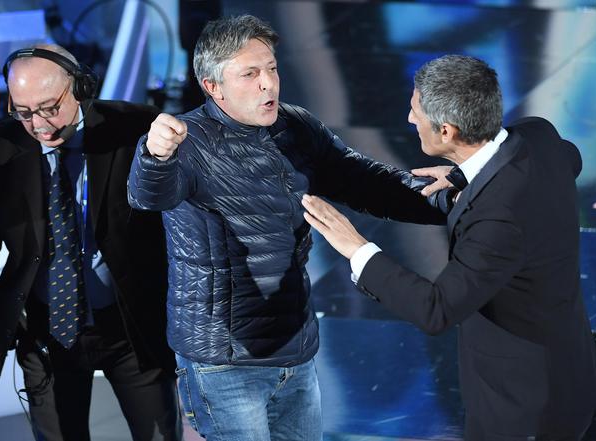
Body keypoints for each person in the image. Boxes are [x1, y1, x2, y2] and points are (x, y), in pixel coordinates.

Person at [127, 14, 451, 441]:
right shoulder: (187, 144)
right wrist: (154, 156)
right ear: (213, 86)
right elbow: (148, 196)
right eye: (250, 74)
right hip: (226, 363)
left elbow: (365, 181)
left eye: (272, 68)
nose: (268, 84)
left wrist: (447, 198)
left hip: (295, 348)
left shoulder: (296, 126)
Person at [301, 54, 596, 440]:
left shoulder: (498, 220)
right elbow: (569, 159)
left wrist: (356, 247)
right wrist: (468, 176)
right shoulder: (538, 136)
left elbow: (437, 309)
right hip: (570, 375)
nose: (410, 119)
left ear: (446, 131)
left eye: (415, 112)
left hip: (524, 409)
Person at [0, 44, 182, 441]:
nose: (38, 125)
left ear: (80, 88)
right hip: (45, 333)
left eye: (49, 108)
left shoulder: (135, 127)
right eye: (23, 111)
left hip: (130, 328)